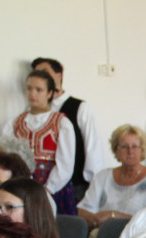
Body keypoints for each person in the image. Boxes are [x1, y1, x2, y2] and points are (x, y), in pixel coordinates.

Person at [1, 70, 76, 215]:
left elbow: (65, 163)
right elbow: (5, 157)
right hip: (21, 190)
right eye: (29, 88)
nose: (32, 94)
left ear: (49, 93)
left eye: (38, 90)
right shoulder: (15, 123)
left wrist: (48, 189)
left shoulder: (62, 123)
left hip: (54, 191)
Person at [30, 57, 106, 202]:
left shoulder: (79, 107)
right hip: (38, 188)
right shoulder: (31, 115)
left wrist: (94, 185)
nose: (42, 77)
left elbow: (92, 148)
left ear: (60, 75)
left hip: (75, 186)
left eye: (45, 72)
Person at [77, 124, 146, 230]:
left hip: (138, 235)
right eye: (124, 146)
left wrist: (113, 215)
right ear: (116, 150)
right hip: (101, 233)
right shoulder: (102, 177)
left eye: (134, 146)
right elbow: (83, 210)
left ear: (142, 150)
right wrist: (95, 220)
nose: (130, 151)